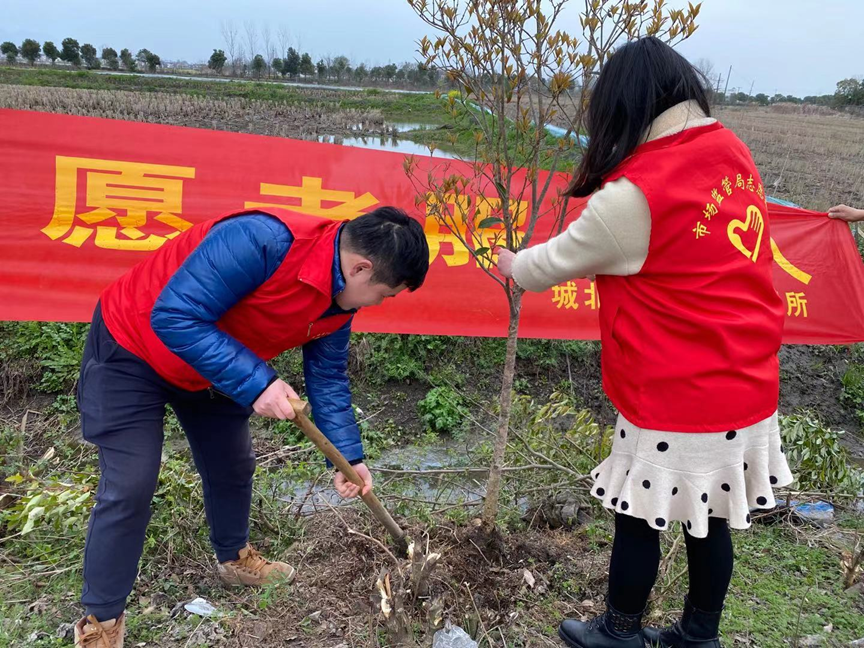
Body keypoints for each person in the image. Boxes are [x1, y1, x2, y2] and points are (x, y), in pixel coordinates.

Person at [498, 37, 793, 648]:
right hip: (746, 380)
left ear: (623, 106)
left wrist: (510, 262)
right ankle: (699, 635)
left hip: (676, 392)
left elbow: (548, 265)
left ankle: (621, 632)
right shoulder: (731, 150)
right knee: (710, 520)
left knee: (636, 515)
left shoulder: (636, 194)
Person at [73, 206, 429, 647]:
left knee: (233, 464)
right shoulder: (262, 241)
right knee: (130, 484)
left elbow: (328, 378)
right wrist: (258, 383)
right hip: (134, 346)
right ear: (361, 268)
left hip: (215, 363)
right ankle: (102, 621)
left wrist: (348, 457)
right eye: (384, 294)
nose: (377, 304)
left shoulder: (339, 302)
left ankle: (235, 560)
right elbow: (175, 315)